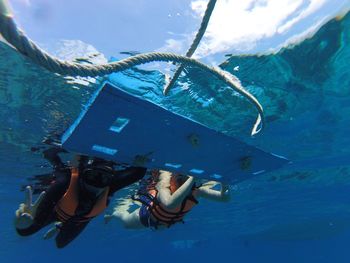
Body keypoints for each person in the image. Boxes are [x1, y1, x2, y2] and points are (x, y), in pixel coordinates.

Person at [14, 147, 147, 248]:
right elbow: (138, 173)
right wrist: (22, 226)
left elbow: (137, 174)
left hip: (79, 220)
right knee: (60, 244)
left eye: (103, 179)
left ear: (109, 180)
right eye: (92, 176)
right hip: (56, 211)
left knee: (60, 244)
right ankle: (60, 224)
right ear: (83, 174)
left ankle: (60, 226)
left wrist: (140, 165)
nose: (95, 184)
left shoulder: (110, 185)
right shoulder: (65, 181)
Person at [104, 169, 230, 230]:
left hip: (166, 222)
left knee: (160, 229)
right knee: (126, 223)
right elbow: (170, 204)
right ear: (173, 179)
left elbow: (224, 199)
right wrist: (193, 178)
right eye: (180, 178)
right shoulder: (163, 187)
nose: (183, 180)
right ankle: (113, 214)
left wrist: (224, 186)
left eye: (185, 178)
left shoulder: (197, 191)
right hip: (146, 217)